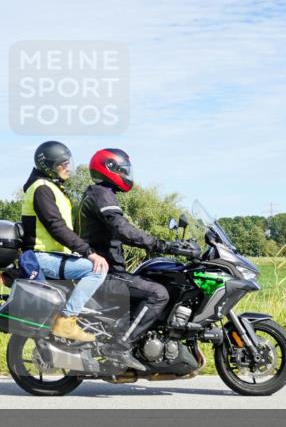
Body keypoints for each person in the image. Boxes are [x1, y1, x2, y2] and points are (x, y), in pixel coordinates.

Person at [79, 148, 179, 371]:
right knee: (158, 294)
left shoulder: (98, 193)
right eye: (124, 170)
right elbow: (122, 229)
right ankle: (120, 346)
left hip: (104, 270)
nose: (127, 174)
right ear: (110, 169)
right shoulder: (101, 193)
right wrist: (161, 244)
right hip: (106, 273)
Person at [20, 141, 110, 343]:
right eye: (63, 164)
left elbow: (65, 229)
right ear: (49, 166)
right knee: (97, 269)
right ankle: (67, 320)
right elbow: (56, 226)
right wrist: (89, 253)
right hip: (40, 256)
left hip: (53, 255)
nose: (69, 168)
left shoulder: (51, 188)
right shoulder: (41, 189)